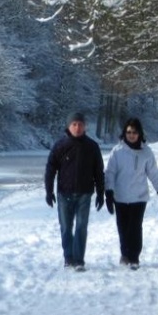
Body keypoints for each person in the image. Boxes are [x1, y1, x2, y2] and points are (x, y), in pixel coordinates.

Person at [104, 117, 158, 270]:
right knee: (123, 227)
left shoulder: (146, 152)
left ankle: (134, 257)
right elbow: (110, 173)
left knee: (135, 227)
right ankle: (124, 254)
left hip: (139, 197)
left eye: (134, 132)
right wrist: (109, 192)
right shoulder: (117, 152)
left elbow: (153, 173)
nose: (131, 135)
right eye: (128, 132)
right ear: (125, 133)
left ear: (139, 134)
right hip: (121, 197)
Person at [44, 112, 106, 271]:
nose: (77, 127)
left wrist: (101, 193)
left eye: (80, 124)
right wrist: (49, 191)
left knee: (81, 227)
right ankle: (68, 257)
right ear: (69, 126)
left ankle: (79, 260)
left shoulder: (92, 146)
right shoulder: (60, 146)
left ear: (85, 126)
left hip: (85, 193)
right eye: (74, 124)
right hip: (64, 194)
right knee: (65, 227)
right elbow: (50, 169)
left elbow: (99, 171)